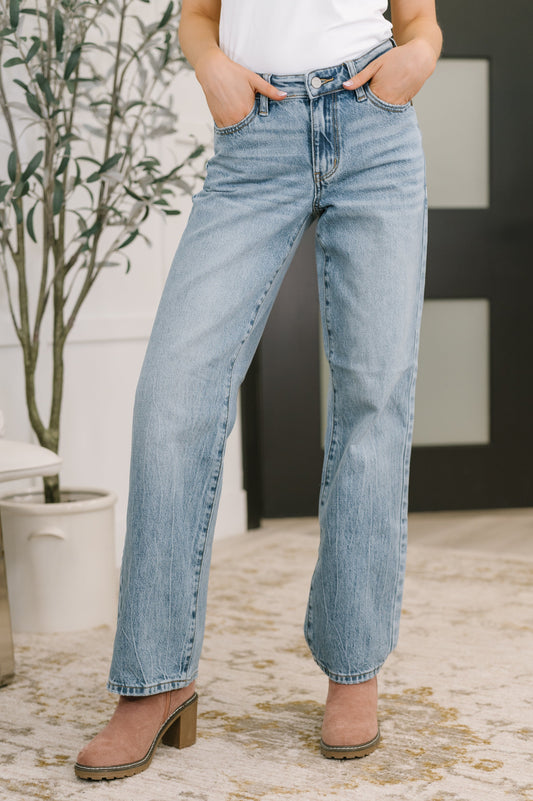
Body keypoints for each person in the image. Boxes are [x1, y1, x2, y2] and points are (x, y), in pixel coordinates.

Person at [74, 0, 442, 780]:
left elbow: (420, 19)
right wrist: (211, 68)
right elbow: (198, 15)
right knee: (173, 397)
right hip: (255, 140)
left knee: (374, 399)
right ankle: (155, 678)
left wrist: (416, 60)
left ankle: (353, 669)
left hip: (375, 128)